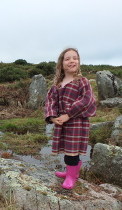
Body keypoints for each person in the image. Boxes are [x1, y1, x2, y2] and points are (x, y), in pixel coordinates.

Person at [44, 48, 96, 189]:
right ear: (61, 63)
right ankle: (71, 172)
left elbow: (87, 100)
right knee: (67, 150)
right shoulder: (57, 84)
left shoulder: (82, 81)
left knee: (73, 152)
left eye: (75, 58)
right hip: (62, 122)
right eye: (67, 59)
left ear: (79, 62)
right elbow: (50, 101)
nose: (72, 61)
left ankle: (71, 177)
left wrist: (69, 115)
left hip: (77, 122)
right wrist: (53, 117)